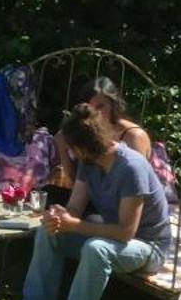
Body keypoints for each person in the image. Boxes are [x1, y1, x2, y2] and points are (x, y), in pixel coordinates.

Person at [3, 102, 172, 300]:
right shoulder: (89, 163)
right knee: (48, 233)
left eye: (72, 148)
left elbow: (126, 233)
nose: (71, 153)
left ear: (84, 147)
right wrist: (60, 217)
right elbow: (75, 209)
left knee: (96, 249)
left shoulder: (131, 168)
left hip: (147, 247)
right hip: (113, 238)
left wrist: (75, 225)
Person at [48, 77, 155, 206]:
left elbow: (135, 184)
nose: (97, 113)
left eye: (101, 106)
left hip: (124, 204)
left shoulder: (133, 136)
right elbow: (76, 181)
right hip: (94, 198)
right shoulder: (88, 134)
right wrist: (62, 148)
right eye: (91, 108)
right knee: (48, 196)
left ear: (113, 105)